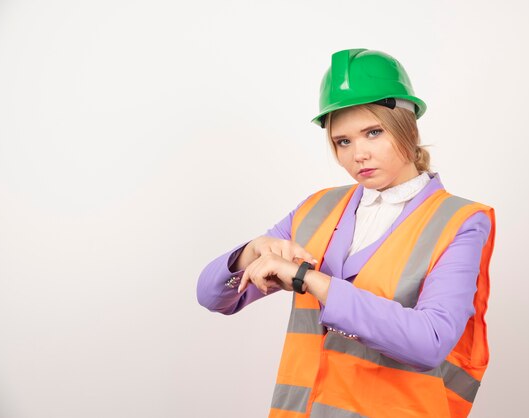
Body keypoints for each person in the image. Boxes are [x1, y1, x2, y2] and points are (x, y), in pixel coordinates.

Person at [197, 48, 496, 418]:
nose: (359, 154)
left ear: (408, 128)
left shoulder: (460, 220)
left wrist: (311, 280)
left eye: (373, 132)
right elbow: (213, 297)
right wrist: (251, 252)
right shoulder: (316, 210)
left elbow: (430, 342)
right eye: (343, 142)